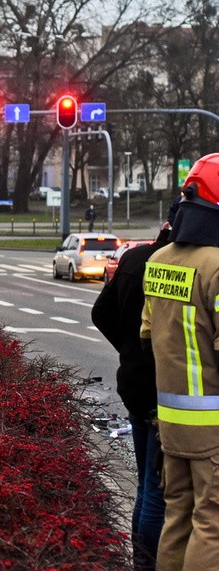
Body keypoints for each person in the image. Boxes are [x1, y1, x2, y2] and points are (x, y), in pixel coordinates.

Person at [140, 153, 219, 570]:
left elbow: (147, 335)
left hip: (172, 420)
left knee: (178, 518)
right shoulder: (217, 267)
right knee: (213, 524)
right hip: (214, 425)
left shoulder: (159, 260)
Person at [93, 211, 176, 570]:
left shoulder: (133, 258)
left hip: (135, 387)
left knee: (146, 486)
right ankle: (147, 563)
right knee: (158, 493)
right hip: (164, 393)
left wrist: (128, 349)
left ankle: (140, 559)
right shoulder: (176, 265)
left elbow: (101, 313)